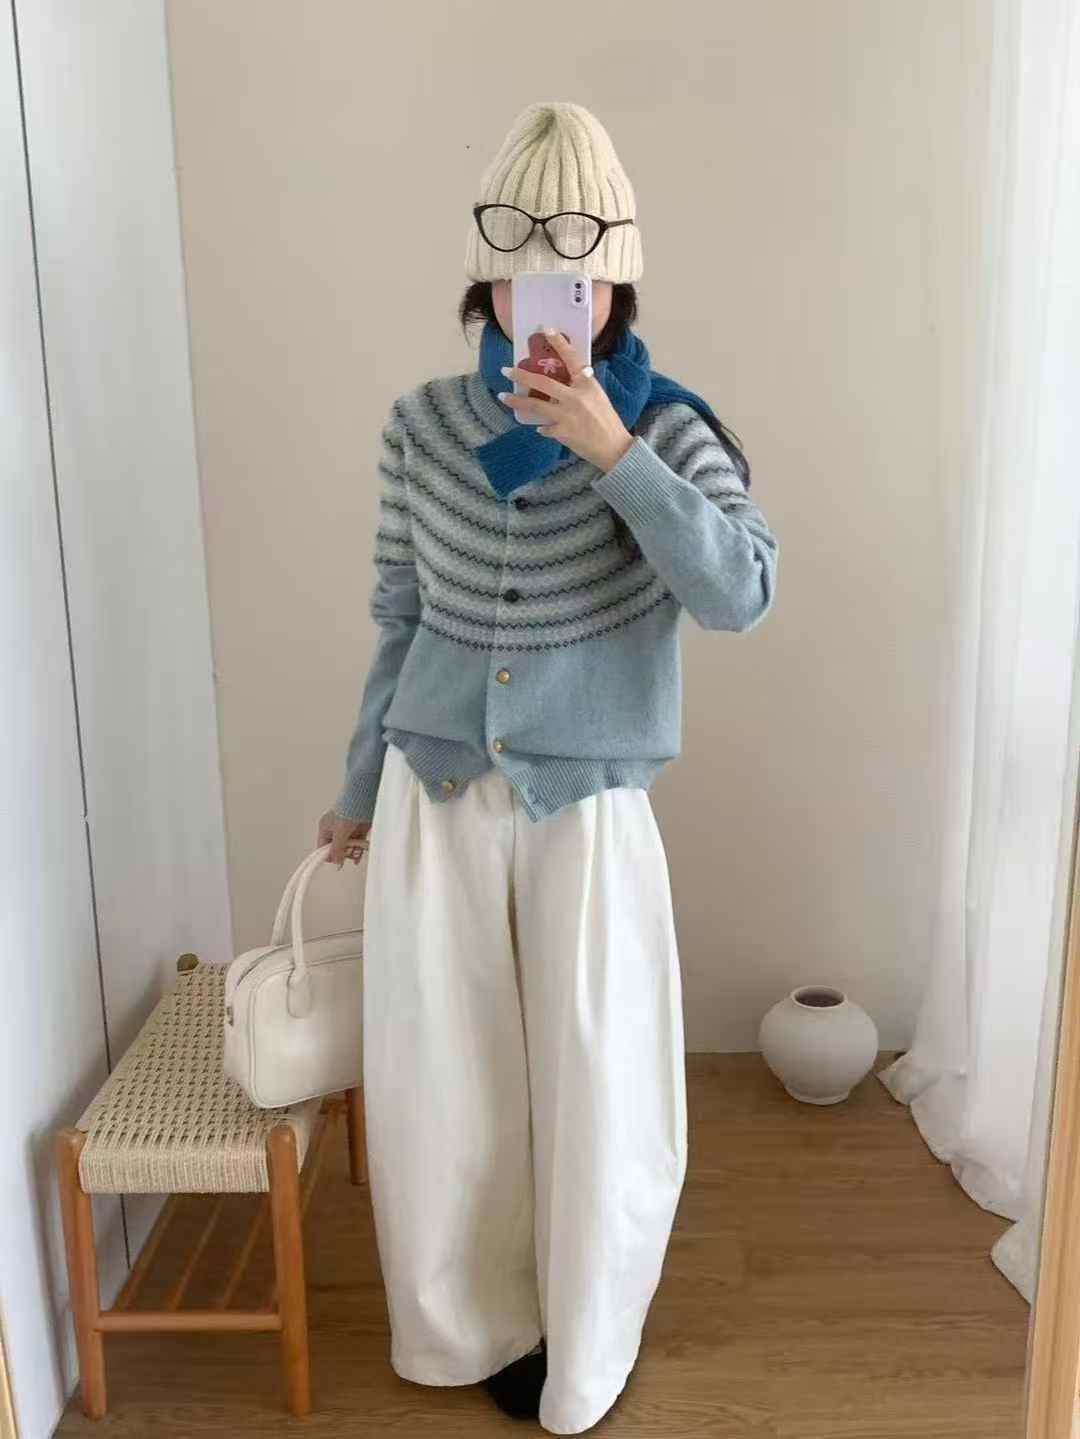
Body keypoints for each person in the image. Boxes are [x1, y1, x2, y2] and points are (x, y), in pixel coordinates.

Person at [316, 99, 778, 1435]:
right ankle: (470, 1327)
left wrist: (612, 453)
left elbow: (740, 593)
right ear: (488, 277)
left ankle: (586, 1340)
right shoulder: (420, 425)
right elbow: (400, 619)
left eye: (577, 267)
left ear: (615, 280)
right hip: (436, 794)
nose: (549, 294)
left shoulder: (667, 432)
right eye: (522, 266)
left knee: (599, 1082)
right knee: (444, 1082)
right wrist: (358, 788)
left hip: (587, 804)